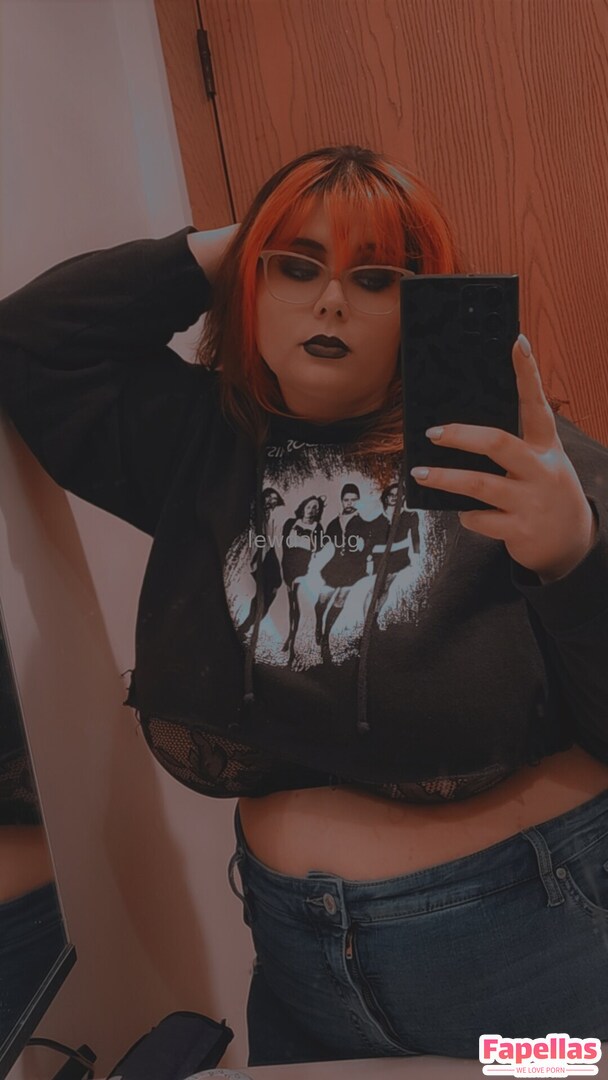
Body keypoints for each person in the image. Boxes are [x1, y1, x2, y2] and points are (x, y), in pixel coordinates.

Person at [1, 145, 608, 1066]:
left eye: (375, 277)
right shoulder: (199, 446)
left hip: (528, 950)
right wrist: (236, 241)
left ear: (419, 306)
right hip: (296, 964)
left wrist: (573, 559)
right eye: (295, 266)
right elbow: (31, 339)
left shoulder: (511, 459)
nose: (330, 302)